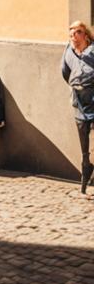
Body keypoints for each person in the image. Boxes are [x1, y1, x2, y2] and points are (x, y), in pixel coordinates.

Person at [61, 21, 94, 193]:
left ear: (86, 35)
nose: (73, 36)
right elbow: (65, 72)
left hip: (93, 96)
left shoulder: (92, 51)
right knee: (83, 138)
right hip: (79, 100)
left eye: (77, 32)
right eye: (71, 33)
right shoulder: (69, 51)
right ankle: (86, 166)